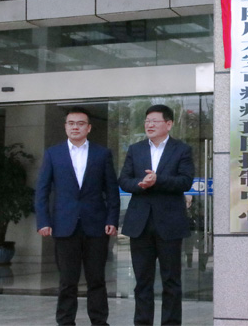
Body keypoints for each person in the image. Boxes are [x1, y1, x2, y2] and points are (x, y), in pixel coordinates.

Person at [35, 106, 120, 326]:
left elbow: (111, 191)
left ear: (88, 128)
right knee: (67, 280)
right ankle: (65, 322)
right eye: (71, 123)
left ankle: (99, 322)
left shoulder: (102, 154)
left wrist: (112, 219)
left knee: (97, 279)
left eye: (80, 124)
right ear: (65, 127)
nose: (75, 127)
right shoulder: (53, 153)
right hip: (64, 225)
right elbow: (42, 190)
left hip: (96, 226)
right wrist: (43, 221)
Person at [119, 104, 194, 325]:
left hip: (170, 223)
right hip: (140, 224)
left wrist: (158, 180)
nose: (149, 125)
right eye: (147, 121)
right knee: (142, 281)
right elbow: (124, 180)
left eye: (155, 121)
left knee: (171, 281)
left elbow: (185, 181)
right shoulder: (136, 149)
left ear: (168, 124)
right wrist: (140, 184)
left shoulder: (182, 149)